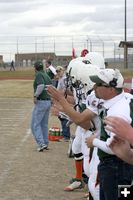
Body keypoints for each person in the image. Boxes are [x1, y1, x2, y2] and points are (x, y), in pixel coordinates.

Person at [85, 68, 133, 200]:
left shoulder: (117, 112)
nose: (94, 87)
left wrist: (93, 142)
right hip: (120, 166)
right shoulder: (124, 98)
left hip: (116, 167)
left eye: (99, 84)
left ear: (111, 89)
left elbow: (115, 148)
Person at [31, 60, 52, 152]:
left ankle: (41, 143)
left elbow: (41, 86)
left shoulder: (39, 74)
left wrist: (35, 95)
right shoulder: (46, 74)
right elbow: (50, 87)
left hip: (41, 101)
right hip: (47, 101)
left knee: (35, 124)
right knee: (44, 124)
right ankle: (45, 142)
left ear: (35, 68)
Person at [56, 65, 71, 141]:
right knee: (61, 116)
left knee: (64, 117)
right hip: (61, 99)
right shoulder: (60, 78)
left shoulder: (64, 79)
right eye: (57, 71)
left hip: (64, 99)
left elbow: (65, 90)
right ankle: (65, 134)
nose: (58, 72)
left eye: (59, 70)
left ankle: (66, 136)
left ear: (63, 70)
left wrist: (59, 96)